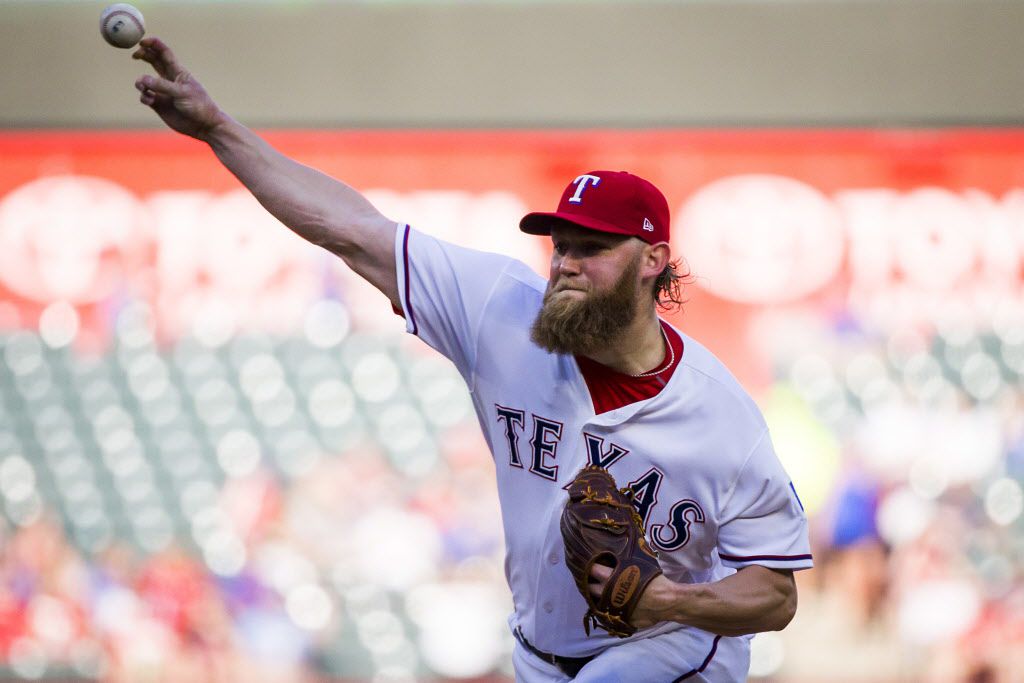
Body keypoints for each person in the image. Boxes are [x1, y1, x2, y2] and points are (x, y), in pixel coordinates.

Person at [132, 37, 813, 682]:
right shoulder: (500, 310)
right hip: (539, 648)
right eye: (561, 245)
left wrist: (668, 601)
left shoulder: (720, 415)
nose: (568, 264)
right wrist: (219, 130)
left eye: (593, 248)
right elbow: (347, 229)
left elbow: (774, 595)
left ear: (654, 261)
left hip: (673, 648)